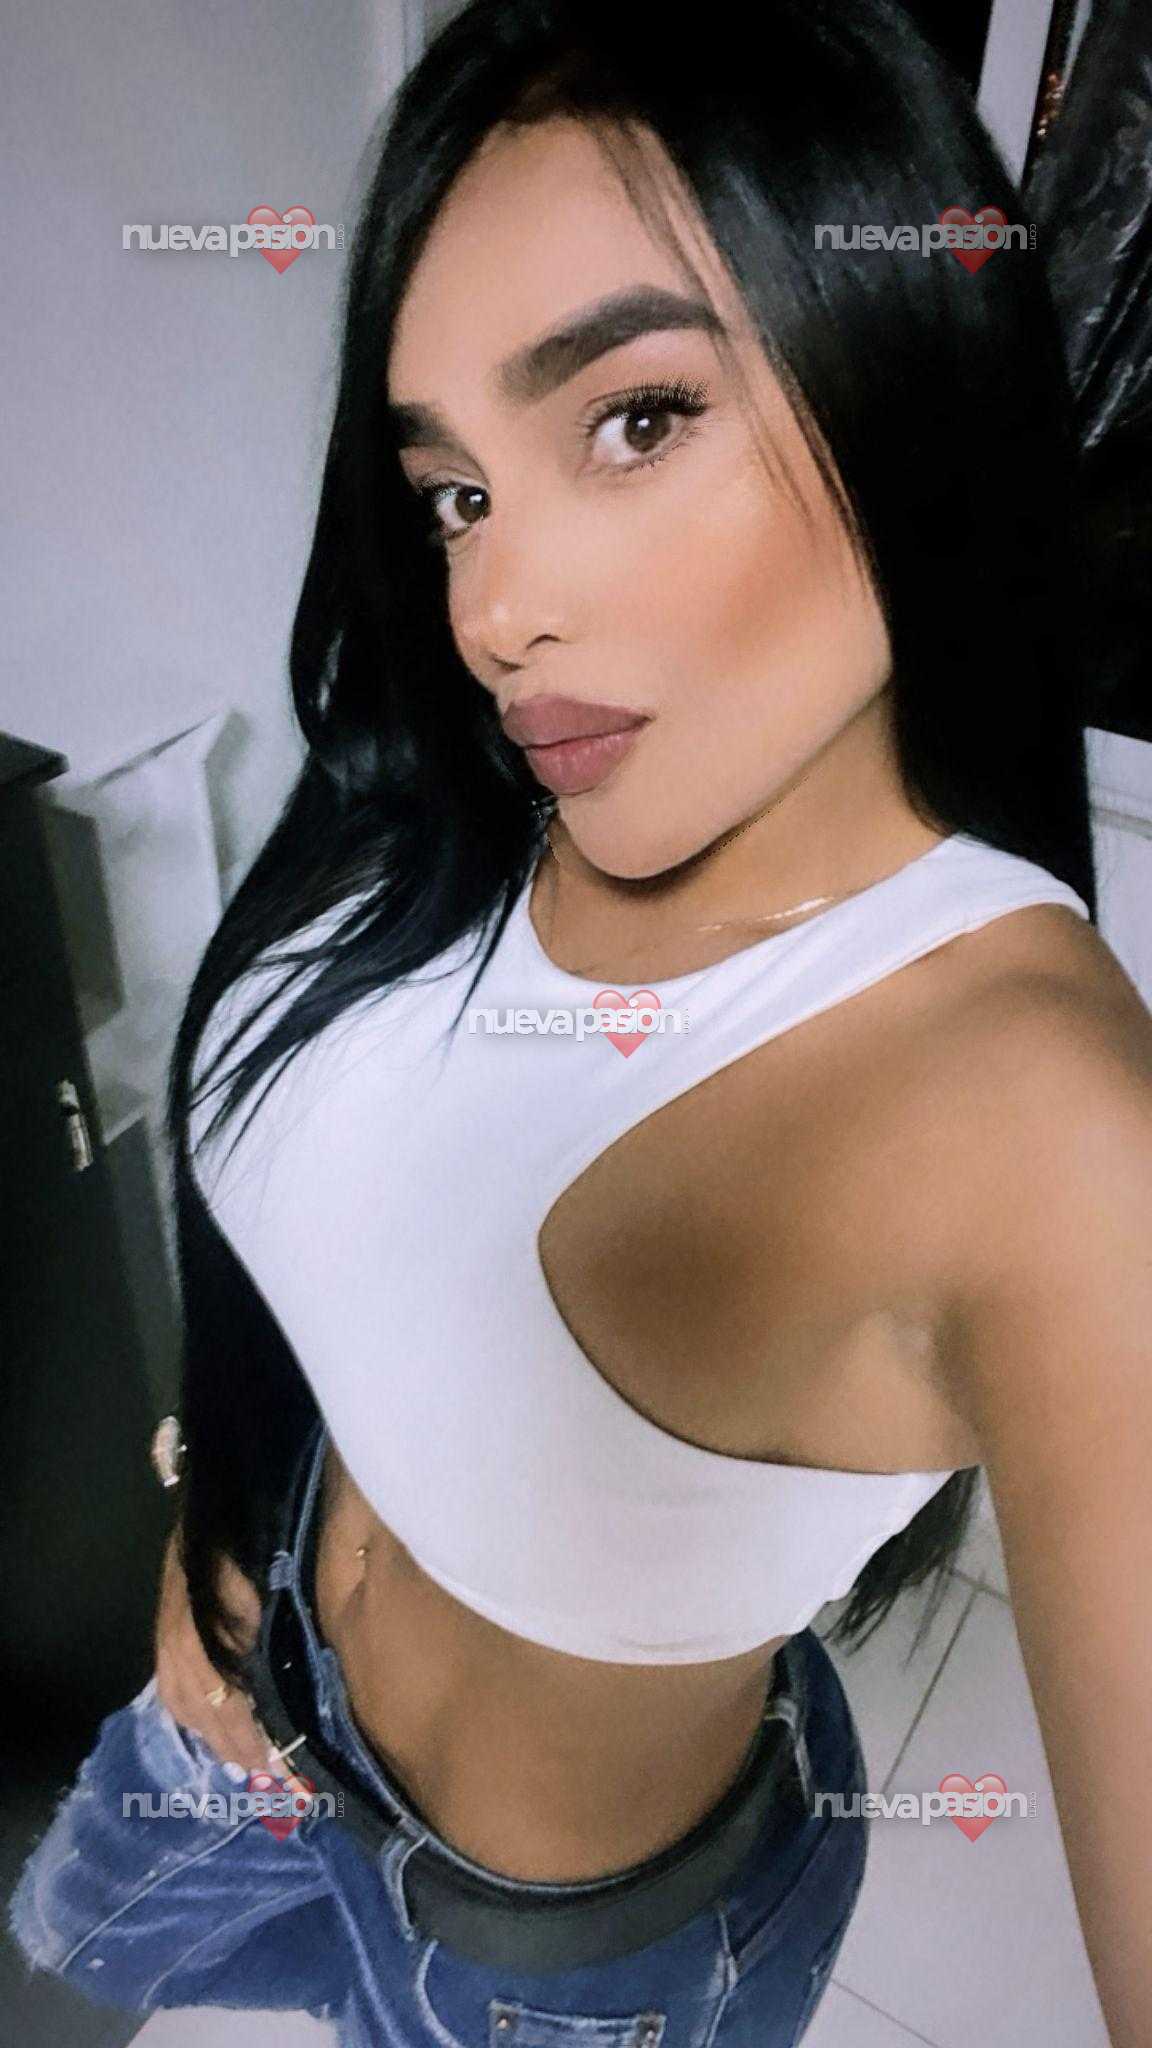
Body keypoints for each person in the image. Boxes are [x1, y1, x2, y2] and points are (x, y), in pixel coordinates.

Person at [10, 1, 1152, 2042]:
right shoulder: (455, 794)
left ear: (907, 374)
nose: (489, 610)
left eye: (632, 420)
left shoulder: (1032, 1107)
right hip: (242, 1688)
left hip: (552, 1960)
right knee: (68, 1957)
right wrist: (212, 1530)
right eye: (451, 490)